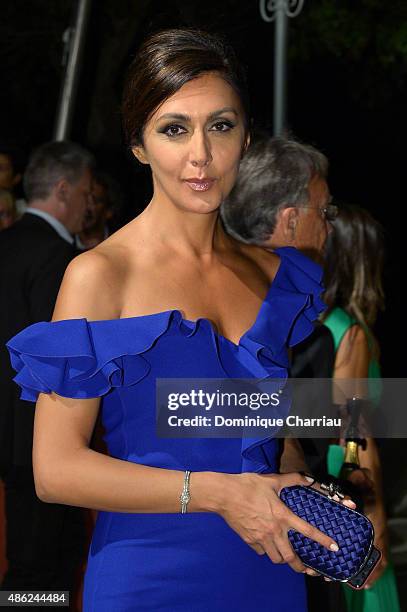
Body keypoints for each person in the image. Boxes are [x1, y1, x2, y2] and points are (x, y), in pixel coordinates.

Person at [6, 30, 355, 611]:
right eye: (174, 129)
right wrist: (218, 494)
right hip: (149, 579)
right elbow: (55, 470)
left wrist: (304, 494)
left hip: (268, 573)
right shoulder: (99, 275)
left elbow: (270, 434)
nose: (201, 155)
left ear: (246, 138)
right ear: (139, 145)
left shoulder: (276, 277)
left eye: (221, 125)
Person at [221, 135, 347, 609]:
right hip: (288, 540)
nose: (331, 227)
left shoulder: (220, 294)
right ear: (290, 219)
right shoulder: (296, 318)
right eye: (326, 212)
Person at [0, 141, 94, 594]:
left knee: (28, 563)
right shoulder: (59, 258)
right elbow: (58, 361)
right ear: (63, 190)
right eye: (85, 194)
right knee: (43, 569)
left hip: (13, 439)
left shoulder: (8, 244)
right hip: (40, 440)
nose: (88, 206)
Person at [323, 204, 400, 612]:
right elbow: (355, 430)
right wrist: (376, 518)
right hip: (349, 476)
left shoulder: (321, 324)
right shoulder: (350, 334)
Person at [75, 170, 121, 250]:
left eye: (95, 200)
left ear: (109, 211)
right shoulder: (60, 245)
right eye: (84, 198)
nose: (86, 206)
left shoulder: (120, 244)